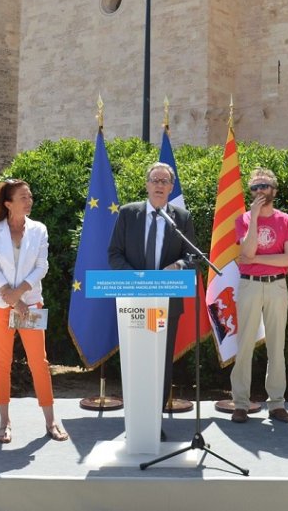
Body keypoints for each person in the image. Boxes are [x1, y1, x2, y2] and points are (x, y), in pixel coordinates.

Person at [108, 161, 197, 435]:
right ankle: (135, 422)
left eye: (164, 181)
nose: (159, 185)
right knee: (136, 360)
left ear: (171, 188)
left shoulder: (181, 217)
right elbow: (114, 254)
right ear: (147, 184)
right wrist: (138, 281)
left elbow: (192, 256)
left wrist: (179, 266)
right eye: (155, 180)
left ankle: (154, 422)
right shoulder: (128, 214)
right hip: (134, 302)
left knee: (160, 361)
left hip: (166, 304)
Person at [0, 178, 68, 443]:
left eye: (30, 196)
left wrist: (19, 296)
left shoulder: (39, 229)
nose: (29, 201)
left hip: (30, 303)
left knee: (39, 363)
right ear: (8, 203)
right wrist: (11, 300)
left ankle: (51, 420)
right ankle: (4, 421)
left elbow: (42, 267)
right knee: (1, 364)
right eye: (23, 197)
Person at [230, 168, 288, 424]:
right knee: (244, 344)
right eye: (255, 187)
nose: (260, 191)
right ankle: (240, 404)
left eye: (264, 186)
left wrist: (255, 259)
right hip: (249, 285)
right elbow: (245, 248)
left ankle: (277, 404)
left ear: (274, 191)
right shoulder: (244, 219)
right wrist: (255, 217)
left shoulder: (286, 221)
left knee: (276, 346)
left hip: (276, 286)